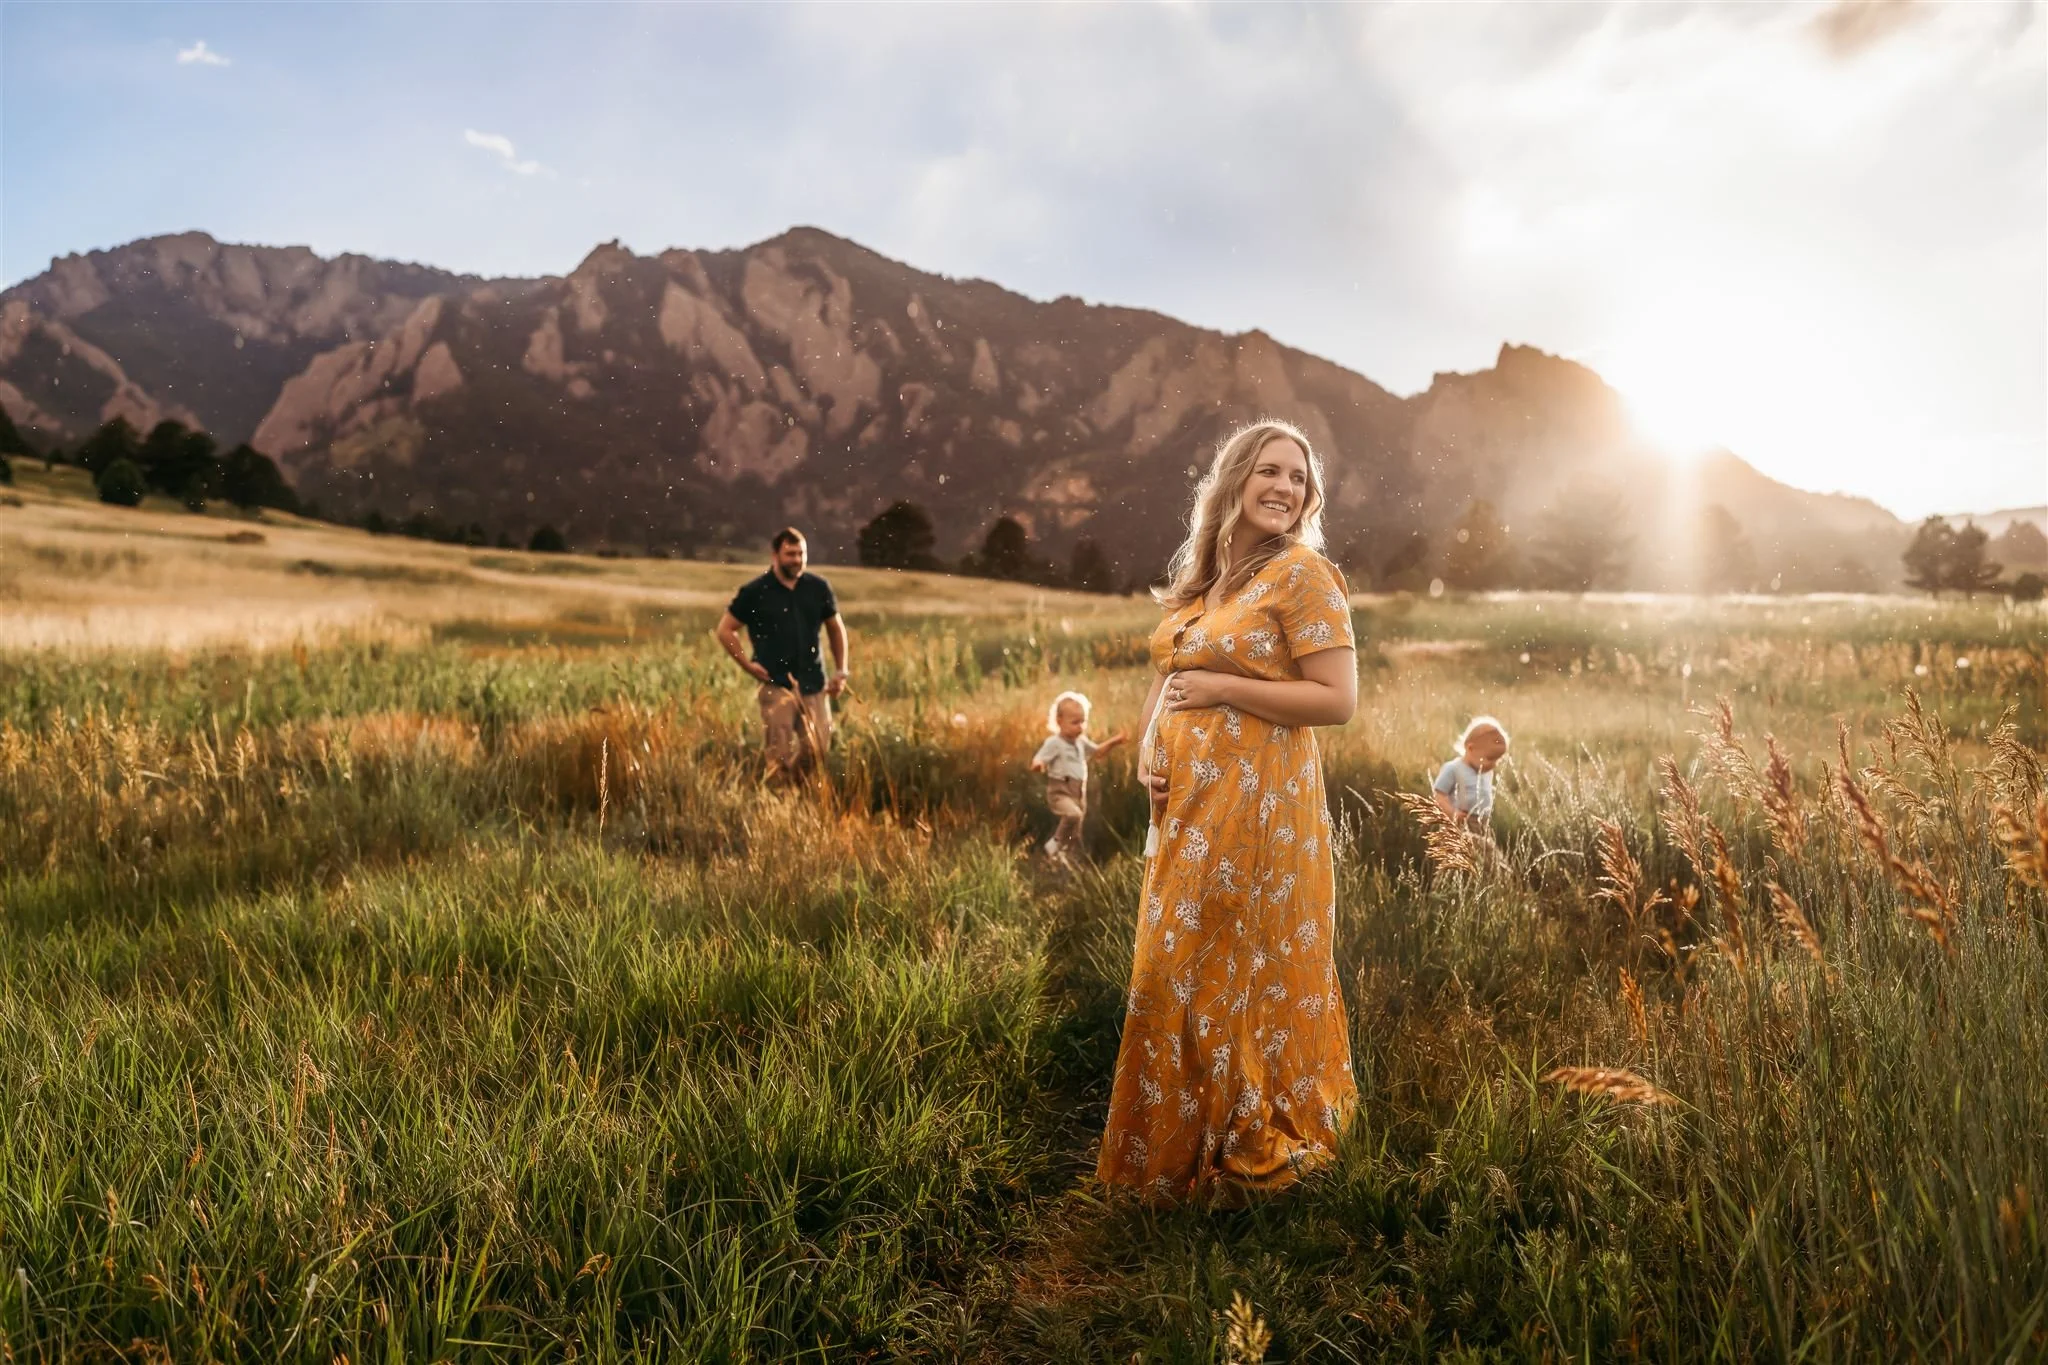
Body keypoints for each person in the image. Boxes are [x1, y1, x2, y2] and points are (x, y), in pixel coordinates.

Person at [1097, 418, 1359, 1205]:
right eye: (1271, 471)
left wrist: (1222, 690)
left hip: (1259, 814)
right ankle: (1178, 1146)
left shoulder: (1303, 575)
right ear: (1236, 479)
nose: (1285, 488)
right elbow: (1174, 665)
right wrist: (1151, 744)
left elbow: (1336, 700)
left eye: (1299, 479)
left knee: (1221, 968)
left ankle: (1238, 1139)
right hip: (1188, 811)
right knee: (1176, 965)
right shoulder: (1206, 583)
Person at [715, 528, 850, 776]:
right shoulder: (755, 592)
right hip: (775, 683)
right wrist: (747, 664)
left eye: (801, 554)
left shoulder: (817, 587)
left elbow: (835, 628)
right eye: (790, 554)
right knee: (778, 756)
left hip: (813, 683)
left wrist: (841, 670)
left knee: (818, 748)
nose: (797, 560)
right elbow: (725, 630)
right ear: (775, 555)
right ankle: (781, 805)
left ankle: (793, 793)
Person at [1029, 690, 1127, 865]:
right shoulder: (1055, 743)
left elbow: (1097, 752)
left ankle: (1062, 861)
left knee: (1075, 832)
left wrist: (1115, 741)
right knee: (1073, 815)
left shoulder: (1081, 741)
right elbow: (1039, 758)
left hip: (1078, 792)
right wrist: (1039, 764)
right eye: (1075, 722)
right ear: (1059, 721)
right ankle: (1054, 844)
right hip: (1060, 791)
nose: (1080, 727)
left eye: (1083, 721)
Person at [1432, 716, 1509, 831]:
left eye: (1497, 760)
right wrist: (1453, 813)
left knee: (1484, 847)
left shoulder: (1485, 771)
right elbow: (1439, 796)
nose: (1494, 765)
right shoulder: (1453, 768)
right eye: (1489, 759)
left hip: (1482, 823)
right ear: (1470, 748)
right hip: (1460, 823)